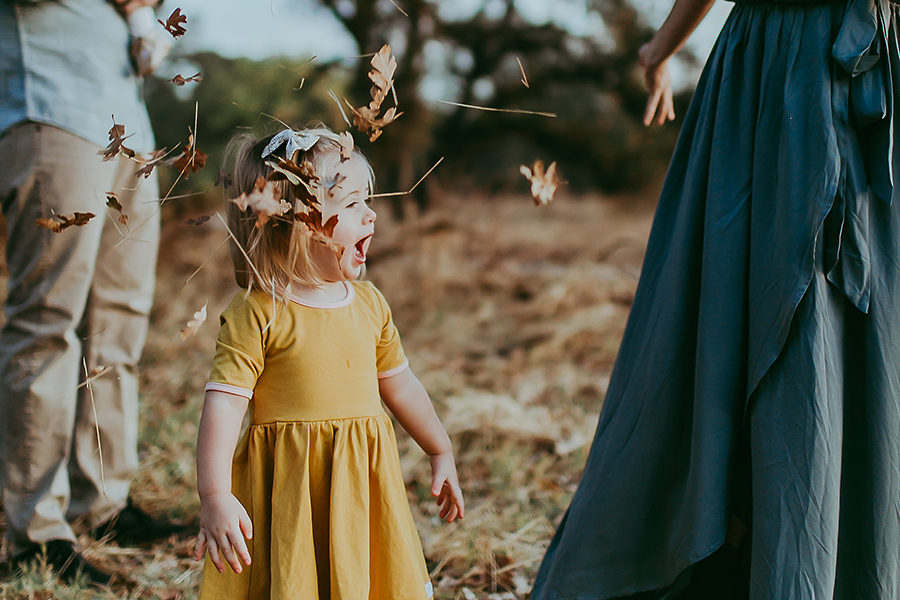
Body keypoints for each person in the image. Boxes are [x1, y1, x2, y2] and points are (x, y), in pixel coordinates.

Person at [532, 0, 899, 598]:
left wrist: (659, 50)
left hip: (791, 61)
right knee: (802, 312)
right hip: (803, 66)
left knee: (784, 306)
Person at [192, 126, 465, 599]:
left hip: (361, 485)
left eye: (368, 200)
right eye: (353, 204)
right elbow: (223, 407)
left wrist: (439, 448)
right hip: (291, 489)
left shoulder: (369, 304)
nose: (372, 214)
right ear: (302, 219)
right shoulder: (258, 312)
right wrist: (215, 495)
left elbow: (401, 386)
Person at [0, 0, 181, 586]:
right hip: (52, 110)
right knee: (46, 319)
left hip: (126, 122)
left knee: (118, 320)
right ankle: (35, 530)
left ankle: (102, 503)